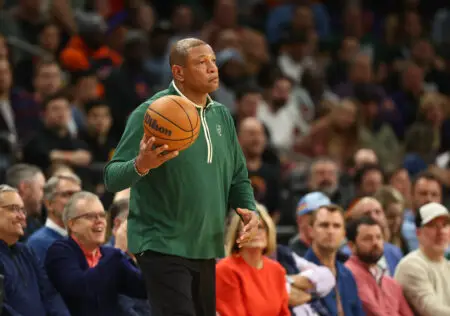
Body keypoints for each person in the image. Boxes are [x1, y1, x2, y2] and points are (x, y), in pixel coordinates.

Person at [104, 37, 259, 316]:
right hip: (161, 242)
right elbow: (112, 178)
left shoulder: (222, 115)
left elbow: (238, 175)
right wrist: (141, 164)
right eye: (201, 62)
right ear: (178, 72)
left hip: (205, 243)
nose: (213, 68)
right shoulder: (151, 113)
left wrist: (248, 208)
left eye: (213, 60)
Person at [0, 185, 69, 316]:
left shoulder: (26, 252)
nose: (21, 216)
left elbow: (50, 295)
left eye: (23, 210)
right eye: (14, 209)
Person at [394, 202, 450, 316]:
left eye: (444, 225)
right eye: (433, 225)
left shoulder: (447, 265)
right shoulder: (411, 265)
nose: (440, 232)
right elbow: (432, 311)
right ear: (418, 232)